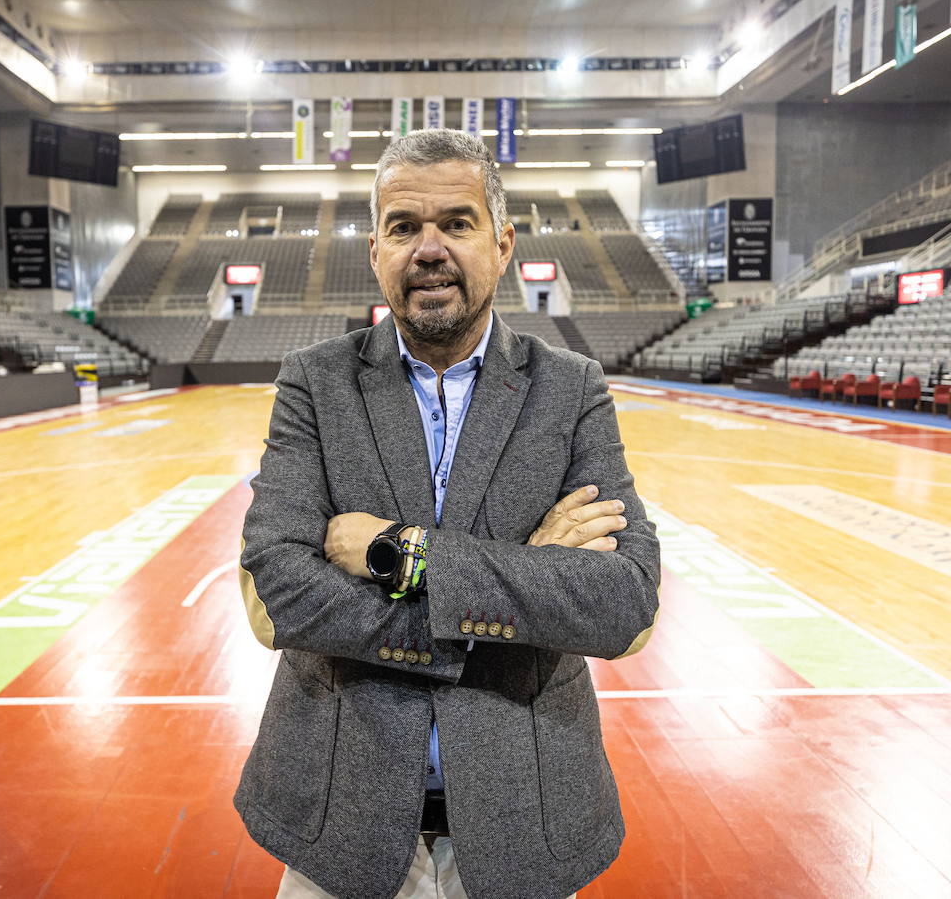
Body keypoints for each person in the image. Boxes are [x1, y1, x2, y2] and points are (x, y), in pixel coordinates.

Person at [235, 128, 660, 899]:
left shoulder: (570, 389)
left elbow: (624, 601)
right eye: (403, 228)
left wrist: (403, 554)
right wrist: (520, 587)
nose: (428, 248)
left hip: (522, 814)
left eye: (455, 223)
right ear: (375, 251)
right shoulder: (313, 383)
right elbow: (280, 589)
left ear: (501, 244)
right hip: (341, 814)